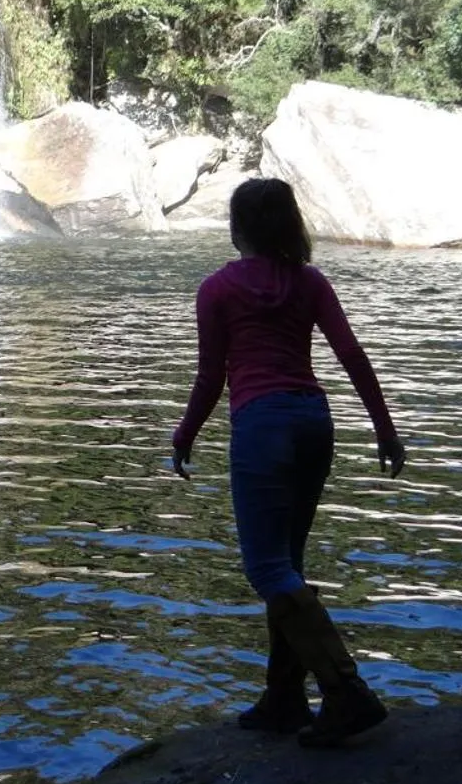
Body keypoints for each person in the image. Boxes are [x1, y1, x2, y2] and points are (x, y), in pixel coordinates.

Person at [170, 177, 405, 747]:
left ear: (237, 229)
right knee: (287, 566)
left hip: (263, 427)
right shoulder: (310, 281)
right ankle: (284, 699)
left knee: (267, 569)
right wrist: (384, 428)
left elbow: (211, 377)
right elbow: (351, 353)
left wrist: (184, 435)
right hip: (313, 421)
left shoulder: (217, 289)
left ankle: (345, 691)